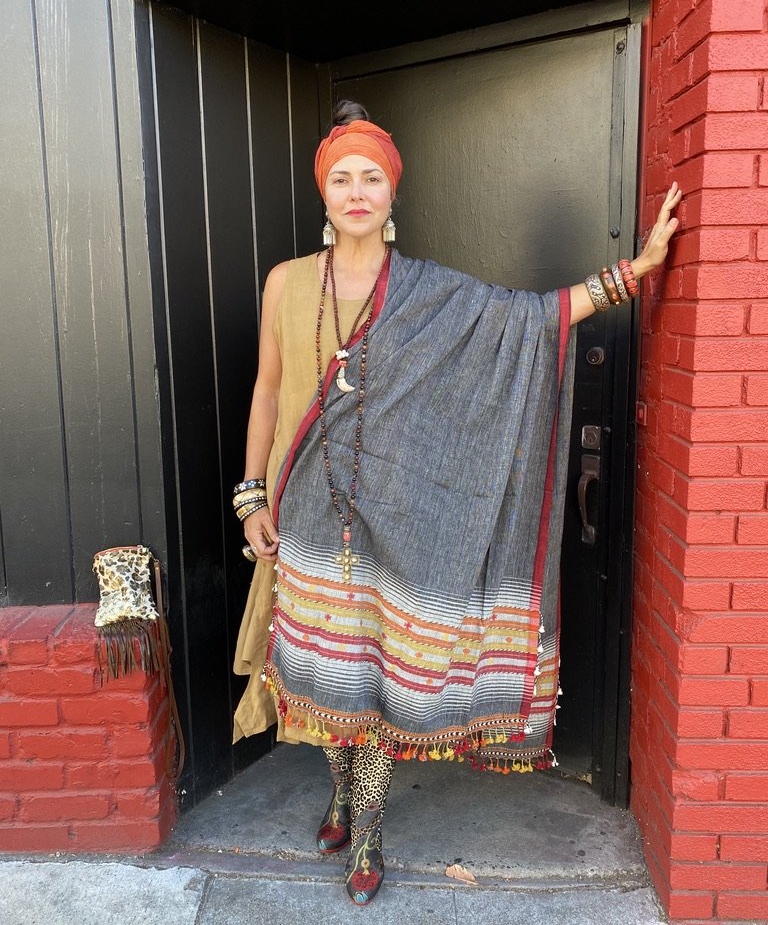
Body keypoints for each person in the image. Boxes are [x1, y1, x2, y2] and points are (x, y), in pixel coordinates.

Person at [232, 100, 682, 906]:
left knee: (374, 679)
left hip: (398, 524)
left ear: (393, 193)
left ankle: (367, 829)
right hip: (306, 511)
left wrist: (633, 272)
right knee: (327, 678)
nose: (357, 191)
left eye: (372, 178)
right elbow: (267, 390)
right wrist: (249, 494)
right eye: (343, 178)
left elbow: (530, 320)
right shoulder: (287, 283)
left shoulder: (429, 293)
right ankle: (340, 794)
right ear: (323, 192)